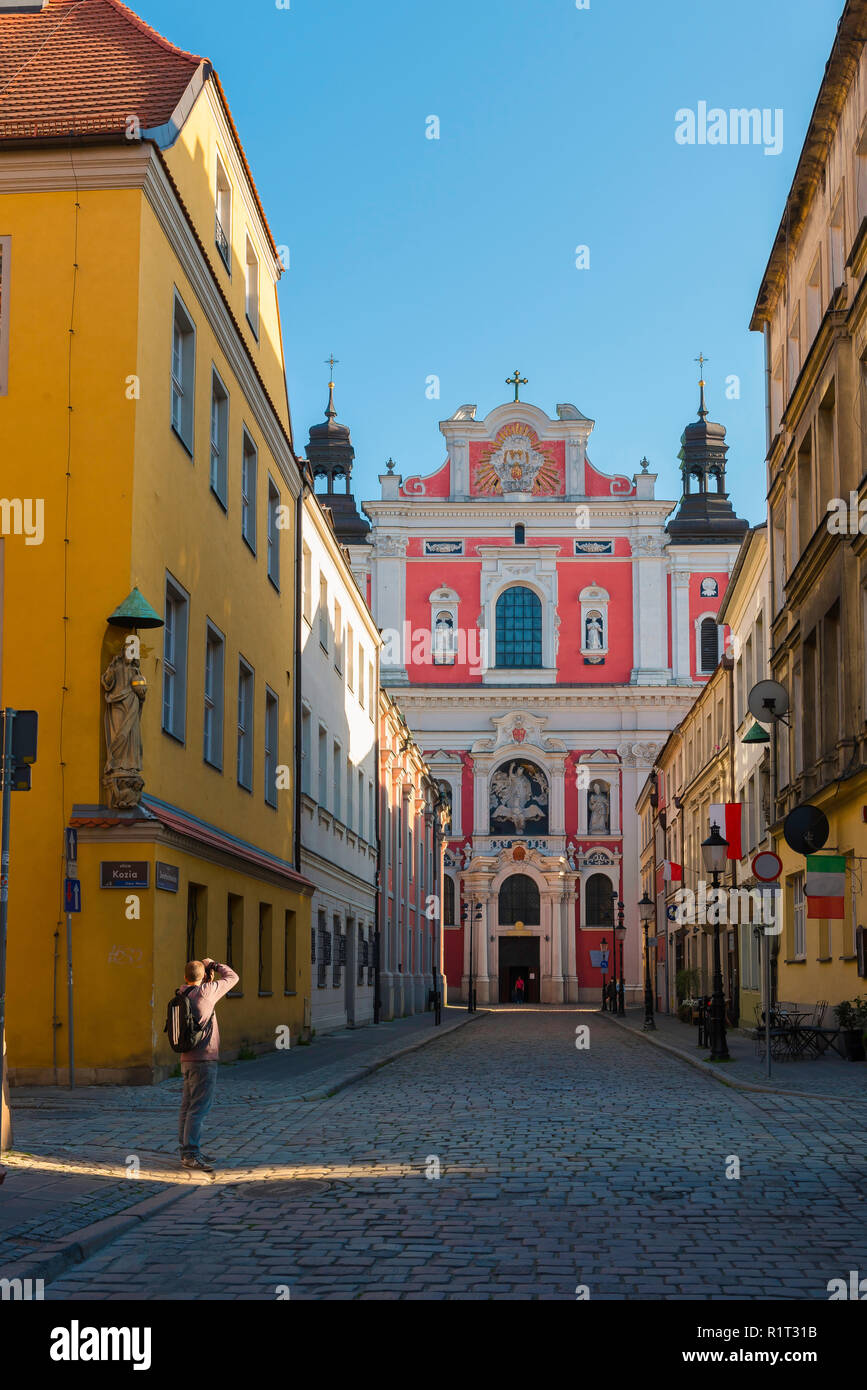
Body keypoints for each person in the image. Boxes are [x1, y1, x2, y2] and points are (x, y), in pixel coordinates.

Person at [178, 957, 239, 1173]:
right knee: (199, 1108)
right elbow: (233, 977)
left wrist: (205, 976)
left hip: (186, 1058)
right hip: (204, 1059)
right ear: (203, 976)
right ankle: (191, 1154)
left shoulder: (181, 993)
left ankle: (186, 1149)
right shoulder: (206, 992)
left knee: (187, 1105)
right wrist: (214, 964)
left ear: (186, 977)